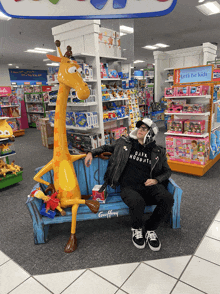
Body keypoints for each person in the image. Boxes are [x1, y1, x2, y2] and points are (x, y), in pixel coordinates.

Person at [85, 118, 173, 251]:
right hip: (129, 187)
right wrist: (91, 152)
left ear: (150, 133)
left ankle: (150, 228)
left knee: (168, 199)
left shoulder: (158, 151)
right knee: (138, 202)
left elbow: (167, 171)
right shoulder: (125, 143)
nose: (140, 130)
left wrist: (156, 180)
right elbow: (107, 147)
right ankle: (136, 228)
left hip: (149, 186)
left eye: (144, 129)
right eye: (139, 128)